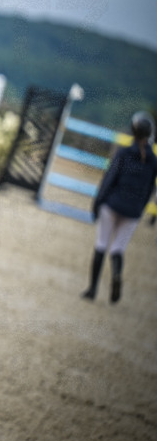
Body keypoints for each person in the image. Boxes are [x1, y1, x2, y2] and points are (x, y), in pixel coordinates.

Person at [81, 111, 157, 304]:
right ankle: (116, 273)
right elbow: (151, 188)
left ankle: (92, 290)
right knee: (118, 248)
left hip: (112, 204)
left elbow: (109, 179)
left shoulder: (123, 153)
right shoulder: (153, 161)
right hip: (133, 210)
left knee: (101, 244)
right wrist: (141, 208)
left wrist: (97, 202)